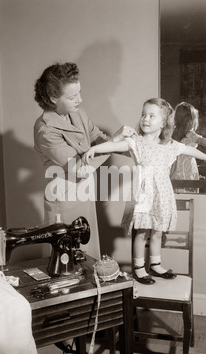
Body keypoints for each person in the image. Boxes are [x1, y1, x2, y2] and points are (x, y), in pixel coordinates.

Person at [85, 98, 206, 284]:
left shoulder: (170, 145)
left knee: (157, 231)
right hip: (144, 196)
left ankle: (155, 264)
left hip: (162, 196)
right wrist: (96, 148)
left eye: (151, 116)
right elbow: (115, 146)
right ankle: (139, 268)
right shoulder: (136, 142)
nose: (145, 119)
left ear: (163, 122)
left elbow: (189, 149)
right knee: (141, 233)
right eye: (143, 114)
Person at [33, 62, 125, 260]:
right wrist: (113, 143)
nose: (80, 100)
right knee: (66, 258)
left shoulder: (78, 113)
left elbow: (99, 138)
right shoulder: (46, 130)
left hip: (84, 193)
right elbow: (80, 169)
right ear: (52, 98)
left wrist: (133, 146)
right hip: (64, 198)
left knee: (87, 255)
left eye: (79, 93)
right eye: (73, 97)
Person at [171, 102, 206, 192]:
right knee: (188, 189)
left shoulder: (174, 133)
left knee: (178, 189)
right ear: (190, 121)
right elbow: (202, 141)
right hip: (187, 168)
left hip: (177, 168)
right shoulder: (189, 134)